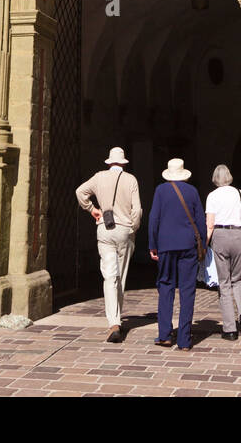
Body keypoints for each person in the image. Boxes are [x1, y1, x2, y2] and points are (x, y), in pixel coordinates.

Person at [76, 145, 142, 343]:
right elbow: (137, 210)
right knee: (120, 278)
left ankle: (113, 322)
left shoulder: (99, 177)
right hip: (124, 230)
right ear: (123, 163)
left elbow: (80, 192)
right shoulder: (130, 179)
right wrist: (133, 228)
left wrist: (92, 210)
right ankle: (117, 319)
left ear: (109, 161)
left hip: (104, 229)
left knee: (109, 276)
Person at [148, 157, 207, 351]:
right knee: (187, 290)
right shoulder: (192, 191)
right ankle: (184, 339)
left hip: (165, 245)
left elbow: (154, 218)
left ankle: (165, 334)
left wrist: (152, 244)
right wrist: (203, 245)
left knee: (165, 286)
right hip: (188, 245)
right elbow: (200, 219)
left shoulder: (160, 191)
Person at [205, 163, 241, 341]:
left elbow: (210, 224)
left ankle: (229, 329)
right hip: (239, 235)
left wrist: (204, 244)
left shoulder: (212, 196)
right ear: (229, 177)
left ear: (215, 179)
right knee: (238, 279)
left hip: (220, 236)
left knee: (224, 282)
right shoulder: (239, 193)